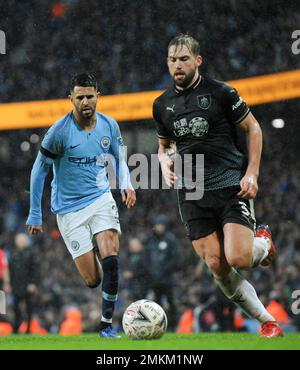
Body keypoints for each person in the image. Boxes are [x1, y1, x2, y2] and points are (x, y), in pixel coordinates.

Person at [152, 34, 283, 338]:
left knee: (238, 257)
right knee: (216, 264)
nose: (177, 65)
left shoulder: (222, 93)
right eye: (172, 59)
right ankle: (268, 322)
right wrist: (163, 162)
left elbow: (253, 128)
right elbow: (164, 146)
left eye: (184, 58)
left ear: (198, 61)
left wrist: (252, 173)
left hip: (228, 184)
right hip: (192, 190)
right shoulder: (161, 105)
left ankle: (262, 242)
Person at [26, 73, 136, 338]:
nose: (85, 101)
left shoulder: (109, 126)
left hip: (99, 198)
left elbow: (118, 159)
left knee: (111, 254)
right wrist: (35, 213)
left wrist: (126, 183)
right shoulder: (59, 132)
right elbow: (39, 170)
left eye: (90, 96)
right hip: (68, 210)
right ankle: (99, 258)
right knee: (93, 280)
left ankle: (106, 325)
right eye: (80, 97)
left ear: (98, 96)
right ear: (71, 99)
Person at [145, 214, 178, 330]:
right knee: (156, 305)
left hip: (167, 279)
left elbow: (175, 258)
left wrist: (164, 270)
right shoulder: (152, 240)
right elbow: (147, 258)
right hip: (155, 280)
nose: (157, 227)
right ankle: (159, 326)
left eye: (160, 225)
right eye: (156, 225)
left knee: (170, 302)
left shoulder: (170, 239)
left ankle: (173, 326)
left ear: (165, 225)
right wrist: (151, 272)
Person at [9, 233, 39, 333]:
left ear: (26, 242)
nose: (21, 242)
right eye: (19, 240)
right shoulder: (13, 254)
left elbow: (35, 270)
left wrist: (33, 283)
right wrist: (9, 284)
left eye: (23, 240)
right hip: (16, 285)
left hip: (27, 285)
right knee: (16, 308)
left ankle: (28, 329)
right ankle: (16, 329)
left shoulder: (31, 254)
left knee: (29, 309)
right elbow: (10, 271)